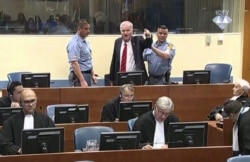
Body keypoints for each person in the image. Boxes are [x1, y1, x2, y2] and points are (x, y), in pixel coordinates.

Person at [0, 89, 55, 155]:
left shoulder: (46, 120)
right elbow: (4, 144)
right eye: (26, 102)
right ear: (21, 103)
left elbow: (54, 140)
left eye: (32, 101)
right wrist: (18, 150)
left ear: (36, 100)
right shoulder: (11, 121)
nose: (30, 104)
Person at [109, 20, 152, 85]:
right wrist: (111, 78)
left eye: (128, 30)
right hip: (121, 78)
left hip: (135, 78)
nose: (125, 33)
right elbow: (114, 60)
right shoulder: (117, 42)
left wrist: (148, 36)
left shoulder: (138, 40)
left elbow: (148, 45)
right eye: (123, 31)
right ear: (120, 32)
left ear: (132, 31)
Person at [67, 19, 97, 87]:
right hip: (79, 77)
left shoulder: (85, 42)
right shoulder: (74, 43)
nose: (88, 31)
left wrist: (92, 74)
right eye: (86, 29)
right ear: (79, 29)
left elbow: (88, 59)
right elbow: (74, 63)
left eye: (89, 29)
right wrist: (82, 81)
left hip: (87, 74)